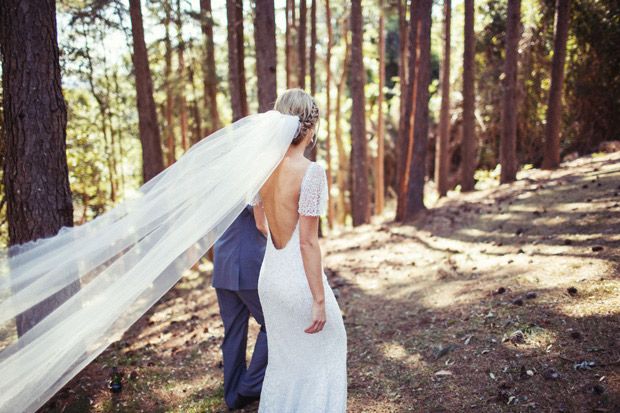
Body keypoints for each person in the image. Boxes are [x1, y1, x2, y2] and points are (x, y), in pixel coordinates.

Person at [253, 89, 347, 412]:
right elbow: (307, 242)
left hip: (269, 280)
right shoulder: (311, 172)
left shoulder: (263, 167)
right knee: (332, 346)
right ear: (309, 127)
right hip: (296, 283)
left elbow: (261, 224)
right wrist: (319, 299)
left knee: (284, 365)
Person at [212, 205, 268, 410]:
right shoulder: (250, 183)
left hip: (222, 264)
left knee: (233, 331)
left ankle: (233, 397)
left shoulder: (218, 187)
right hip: (248, 265)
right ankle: (250, 387)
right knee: (275, 323)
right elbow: (264, 222)